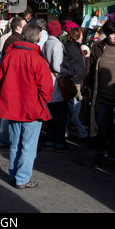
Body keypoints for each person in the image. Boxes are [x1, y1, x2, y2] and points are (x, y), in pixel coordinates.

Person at [0, 23, 53, 188]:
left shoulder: (10, 54)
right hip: (31, 108)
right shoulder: (37, 58)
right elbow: (46, 87)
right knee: (28, 146)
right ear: (37, 37)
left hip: (13, 106)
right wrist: (41, 100)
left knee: (16, 143)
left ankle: (15, 175)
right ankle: (22, 178)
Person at [82, 20, 115, 169]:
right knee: (101, 129)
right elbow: (89, 70)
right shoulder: (98, 48)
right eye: (112, 33)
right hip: (101, 99)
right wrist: (85, 88)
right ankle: (99, 153)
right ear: (106, 34)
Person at [44, 20, 71, 152]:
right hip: (57, 83)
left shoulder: (46, 43)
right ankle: (59, 142)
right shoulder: (57, 45)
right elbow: (57, 66)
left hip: (47, 83)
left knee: (50, 115)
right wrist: (68, 72)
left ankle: (49, 140)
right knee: (61, 116)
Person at [63, 27, 88, 141]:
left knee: (73, 109)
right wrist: (74, 74)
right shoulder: (71, 47)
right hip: (75, 81)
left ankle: (70, 131)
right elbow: (67, 62)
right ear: (76, 36)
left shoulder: (74, 46)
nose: (83, 37)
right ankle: (82, 132)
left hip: (77, 80)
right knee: (75, 108)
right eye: (81, 35)